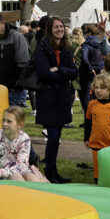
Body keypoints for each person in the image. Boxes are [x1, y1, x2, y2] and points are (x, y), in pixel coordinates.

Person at [34, 16, 78, 184]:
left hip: (62, 98)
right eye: (56, 27)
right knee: (52, 136)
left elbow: (74, 72)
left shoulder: (66, 47)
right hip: (48, 98)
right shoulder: (43, 47)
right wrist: (63, 75)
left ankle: (53, 170)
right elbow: (44, 73)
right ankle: (49, 169)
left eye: (61, 27)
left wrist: (59, 70)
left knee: (57, 136)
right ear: (50, 30)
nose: (59, 29)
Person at [78, 24, 104, 114]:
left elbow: (84, 58)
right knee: (98, 94)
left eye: (85, 32)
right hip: (99, 71)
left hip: (87, 72)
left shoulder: (86, 45)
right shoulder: (101, 43)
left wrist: (90, 68)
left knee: (85, 95)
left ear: (90, 32)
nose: (85, 34)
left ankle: (88, 118)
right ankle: (97, 116)